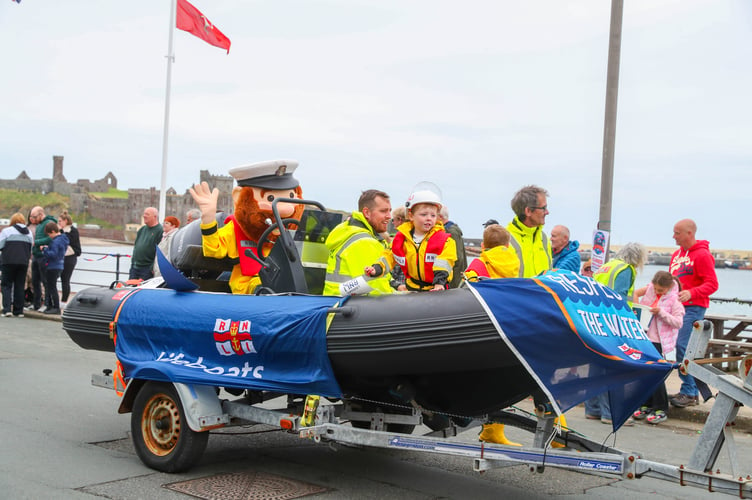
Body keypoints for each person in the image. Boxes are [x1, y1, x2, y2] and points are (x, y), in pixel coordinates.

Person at [585, 242, 648, 424]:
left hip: (595, 320)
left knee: (596, 365)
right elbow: (619, 297)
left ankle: (593, 409)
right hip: (613, 322)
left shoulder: (606, 266)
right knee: (613, 368)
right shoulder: (626, 269)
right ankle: (610, 412)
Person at [366, 184, 456, 292]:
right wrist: (376, 269)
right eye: (423, 215)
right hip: (411, 289)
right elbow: (389, 256)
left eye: (433, 215)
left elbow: (445, 261)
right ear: (411, 215)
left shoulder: (445, 241)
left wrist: (438, 283)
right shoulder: (401, 239)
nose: (429, 219)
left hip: (436, 289)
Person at [668, 219, 719, 408]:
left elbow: (712, 284)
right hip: (677, 308)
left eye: (677, 233)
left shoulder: (702, 255)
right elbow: (671, 283)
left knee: (684, 346)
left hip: (693, 307)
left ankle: (690, 392)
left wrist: (692, 292)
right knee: (678, 346)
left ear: (689, 233)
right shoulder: (676, 256)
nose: (674, 236)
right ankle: (689, 390)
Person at [632, 271, 685, 424]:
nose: (656, 292)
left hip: (659, 340)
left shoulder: (675, 300)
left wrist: (661, 312)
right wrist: (639, 308)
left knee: (656, 374)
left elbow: (678, 323)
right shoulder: (650, 288)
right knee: (645, 373)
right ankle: (646, 404)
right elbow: (636, 293)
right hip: (645, 336)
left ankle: (660, 407)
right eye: (655, 289)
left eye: (660, 291)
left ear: (668, 288)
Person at [323, 190, 394, 296]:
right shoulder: (364, 242)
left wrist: (396, 284)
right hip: (347, 308)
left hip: (338, 305)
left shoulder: (350, 231)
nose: (389, 216)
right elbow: (377, 290)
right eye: (383, 211)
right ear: (367, 213)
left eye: (390, 211)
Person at [506, 185, 552, 277]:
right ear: (528, 211)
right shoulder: (504, 240)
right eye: (543, 208)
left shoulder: (544, 239)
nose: (547, 212)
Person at [0, 213, 33, 317]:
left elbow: (0, 245)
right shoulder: (29, 233)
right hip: (23, 262)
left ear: (12, 221)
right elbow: (30, 249)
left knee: (6, 285)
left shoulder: (6, 231)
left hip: (8, 262)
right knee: (19, 285)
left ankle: (7, 309)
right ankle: (19, 311)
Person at [28, 206, 57, 311]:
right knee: (35, 281)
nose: (32, 219)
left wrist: (37, 242)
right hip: (36, 255)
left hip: (44, 256)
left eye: (34, 216)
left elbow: (51, 237)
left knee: (45, 281)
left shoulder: (48, 223)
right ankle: (36, 304)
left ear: (41, 214)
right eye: (31, 216)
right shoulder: (39, 224)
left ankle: (47, 304)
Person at [40, 221, 69, 315]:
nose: (49, 236)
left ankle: (55, 307)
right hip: (59, 265)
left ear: (53, 231)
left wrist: (45, 249)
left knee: (51, 287)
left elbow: (53, 254)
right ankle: (52, 306)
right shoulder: (63, 239)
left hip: (53, 266)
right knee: (52, 286)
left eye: (49, 234)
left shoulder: (56, 241)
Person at [128, 207, 162, 281]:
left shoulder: (160, 231)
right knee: (131, 288)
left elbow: (160, 252)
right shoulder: (142, 230)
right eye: (144, 214)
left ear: (155, 217)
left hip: (147, 269)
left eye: (147, 214)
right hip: (135, 268)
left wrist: (151, 268)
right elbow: (136, 247)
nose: (144, 216)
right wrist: (133, 263)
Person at [439, 206, 467, 288]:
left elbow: (457, 257)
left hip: (453, 279)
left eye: (433, 215)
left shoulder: (451, 232)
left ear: (440, 217)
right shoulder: (450, 230)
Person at [58, 211, 81, 305]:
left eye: (60, 221)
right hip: (60, 257)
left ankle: (64, 300)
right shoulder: (61, 231)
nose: (58, 223)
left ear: (65, 221)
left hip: (69, 258)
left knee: (65, 279)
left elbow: (67, 241)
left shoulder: (72, 231)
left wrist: (60, 232)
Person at [389, 206, 407, 289]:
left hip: (401, 290)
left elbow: (393, 272)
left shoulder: (399, 241)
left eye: (393, 220)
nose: (392, 222)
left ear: (399, 220)